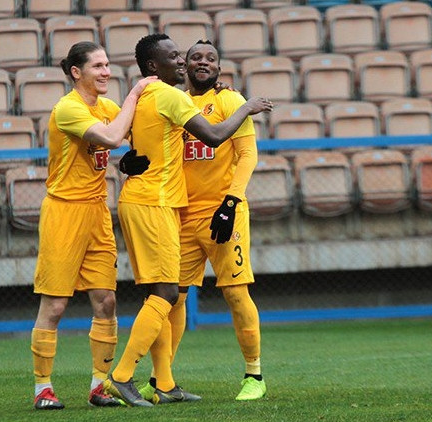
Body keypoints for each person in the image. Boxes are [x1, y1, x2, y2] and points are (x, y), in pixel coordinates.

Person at [102, 33, 273, 407]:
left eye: (210, 57)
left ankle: (254, 375)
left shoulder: (229, 100)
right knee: (173, 298)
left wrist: (231, 201)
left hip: (223, 212)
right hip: (178, 211)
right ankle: (161, 380)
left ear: (219, 67)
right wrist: (127, 162)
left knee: (235, 292)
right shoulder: (173, 99)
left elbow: (247, 155)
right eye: (195, 57)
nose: (201, 62)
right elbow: (152, 146)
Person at [30, 41, 157, 410]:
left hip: (97, 213)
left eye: (107, 64)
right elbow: (114, 137)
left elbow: (142, 127)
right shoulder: (68, 108)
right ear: (76, 72)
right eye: (98, 66)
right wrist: (136, 91)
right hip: (64, 213)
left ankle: (99, 386)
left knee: (106, 301)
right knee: (55, 305)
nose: (106, 72)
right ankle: (42, 388)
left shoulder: (106, 107)